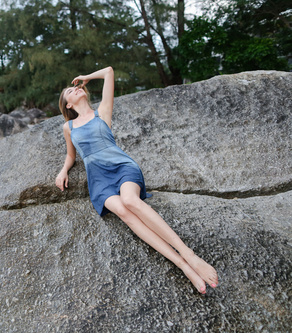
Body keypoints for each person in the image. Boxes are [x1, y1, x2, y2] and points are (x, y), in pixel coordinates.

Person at [55, 66, 218, 294]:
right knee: (123, 211)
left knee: (130, 201)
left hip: (122, 167)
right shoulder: (69, 126)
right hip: (99, 180)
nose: (74, 89)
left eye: (75, 87)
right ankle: (183, 266)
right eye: (69, 92)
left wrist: (86, 77)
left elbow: (110, 72)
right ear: (68, 105)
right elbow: (71, 155)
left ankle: (189, 254)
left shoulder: (103, 112)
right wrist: (63, 171)